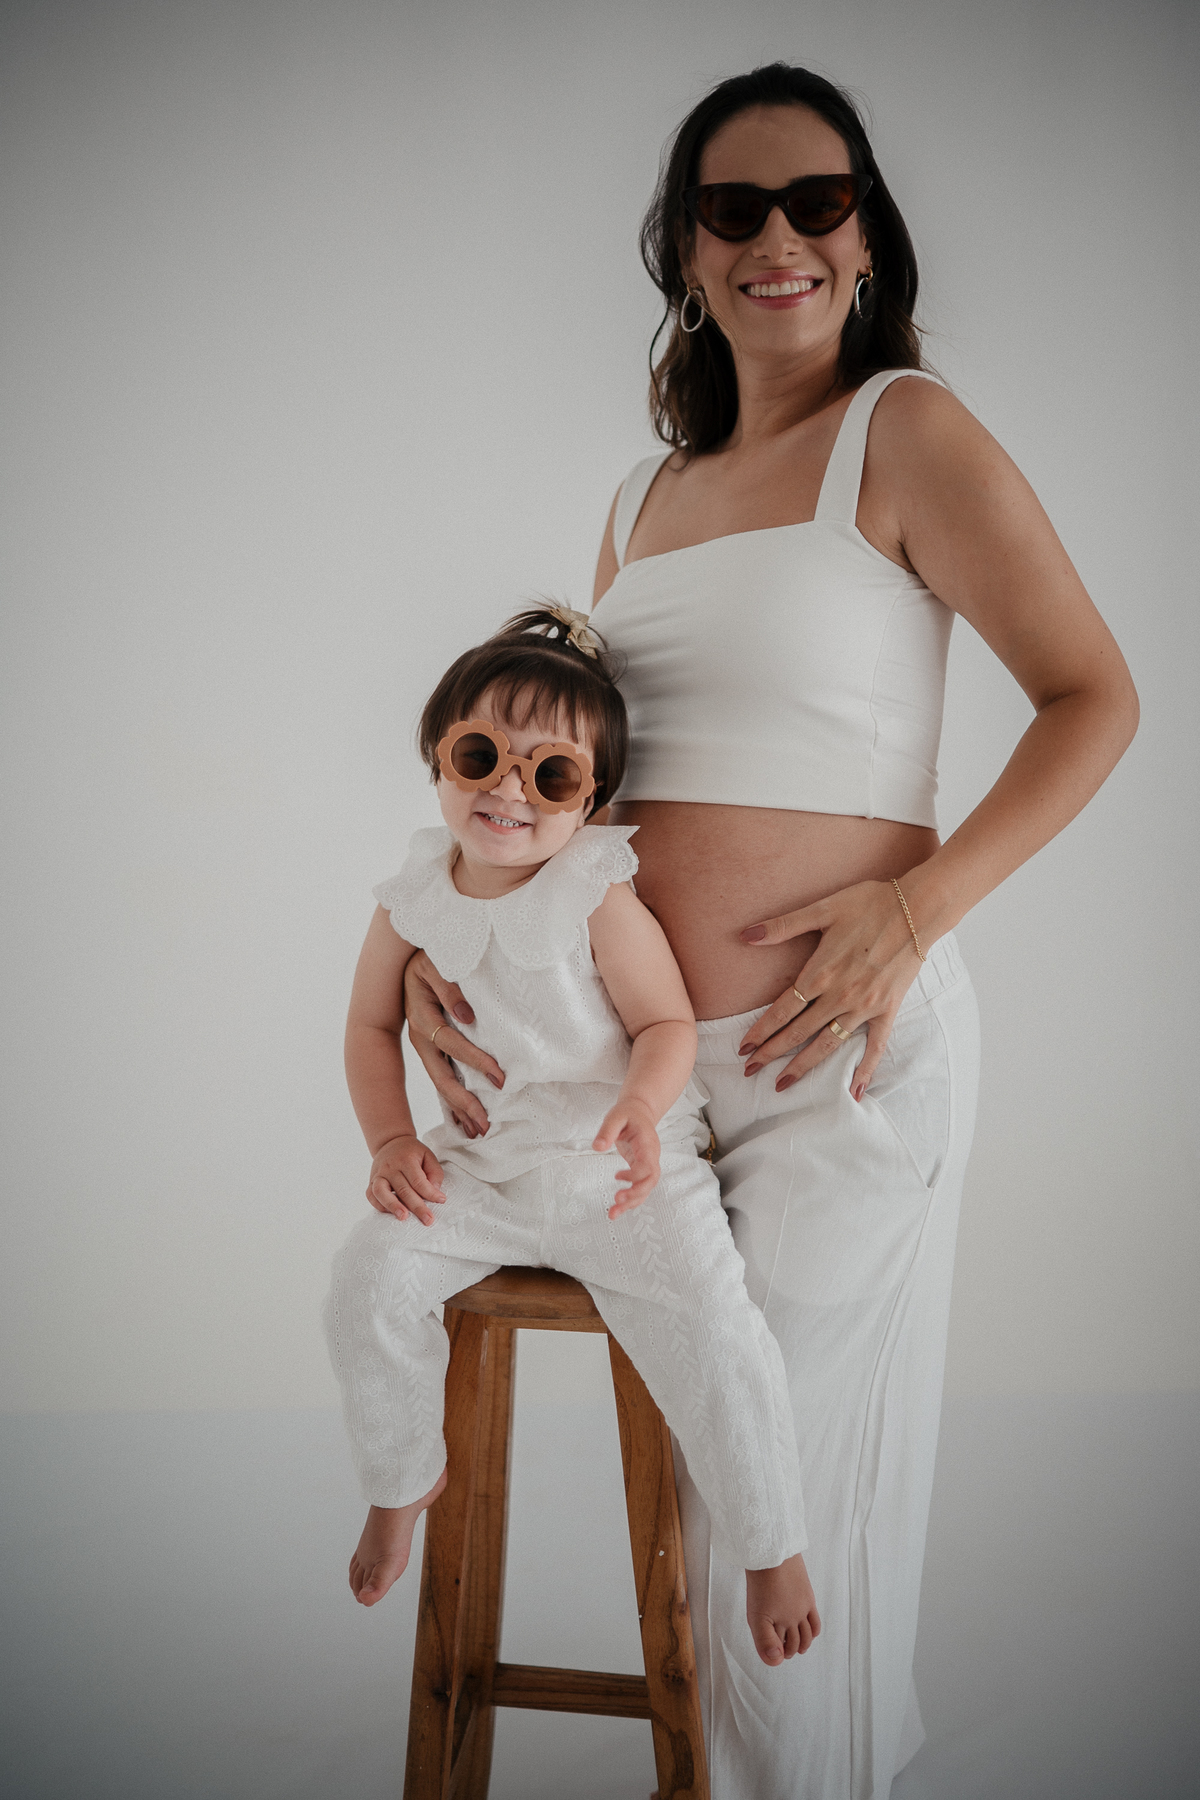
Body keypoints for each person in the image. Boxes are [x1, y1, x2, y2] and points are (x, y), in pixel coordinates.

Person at [402, 64, 1138, 1800]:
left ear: (867, 235)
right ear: (686, 249)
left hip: (835, 1062)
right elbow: (561, 788)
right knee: (714, 1492)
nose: (780, 238)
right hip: (645, 1082)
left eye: (819, 202)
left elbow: (1095, 698)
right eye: (734, 210)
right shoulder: (641, 499)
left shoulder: (908, 432)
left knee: (777, 1510)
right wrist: (452, 940)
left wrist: (917, 905)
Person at [323, 604, 821, 1667]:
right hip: (482, 1174)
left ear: (588, 801)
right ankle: (401, 1478)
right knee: (367, 1280)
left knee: (718, 1328)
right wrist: (389, 1140)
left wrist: (640, 1106)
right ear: (437, 756)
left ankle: (770, 1542)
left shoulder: (595, 892)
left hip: (619, 1177)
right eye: (481, 756)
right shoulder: (409, 897)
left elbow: (666, 1023)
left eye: (550, 775)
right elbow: (368, 1026)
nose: (509, 790)